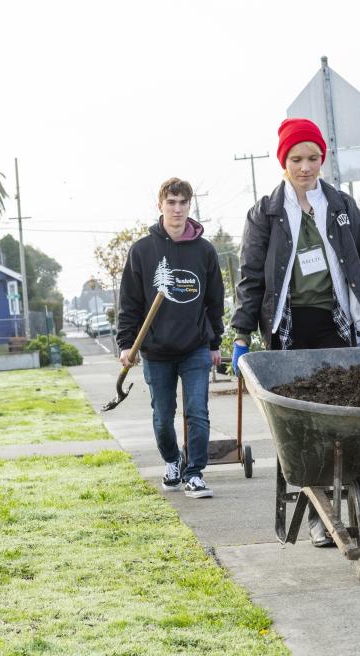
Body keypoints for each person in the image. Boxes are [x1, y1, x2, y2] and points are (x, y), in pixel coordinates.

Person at [230, 117, 360, 545]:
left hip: (338, 325)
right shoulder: (266, 212)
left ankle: (344, 502)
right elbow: (251, 278)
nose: (306, 167)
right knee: (302, 426)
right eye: (297, 159)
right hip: (289, 330)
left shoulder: (340, 207)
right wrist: (241, 335)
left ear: (323, 159)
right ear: (283, 161)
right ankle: (320, 514)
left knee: (345, 420)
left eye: (314, 158)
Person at [117, 177, 225, 499]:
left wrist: (215, 343)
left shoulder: (204, 251)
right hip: (156, 350)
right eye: (171, 203)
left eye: (183, 203)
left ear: (189, 206)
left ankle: (194, 473)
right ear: (160, 205)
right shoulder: (142, 251)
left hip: (195, 348)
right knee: (163, 417)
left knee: (197, 411)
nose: (177, 209)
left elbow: (214, 301)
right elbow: (130, 303)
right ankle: (172, 461)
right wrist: (126, 343)